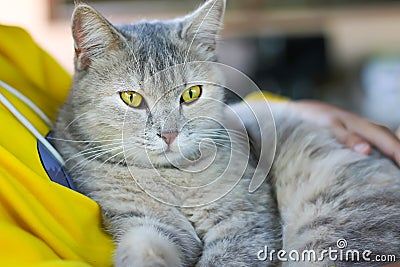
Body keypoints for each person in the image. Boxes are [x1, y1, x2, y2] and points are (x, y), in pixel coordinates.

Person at [0, 24, 399, 266]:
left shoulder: (13, 49)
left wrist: (286, 109)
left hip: (325, 190)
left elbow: (244, 228)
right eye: (134, 100)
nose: (168, 131)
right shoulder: (89, 147)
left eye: (189, 95)